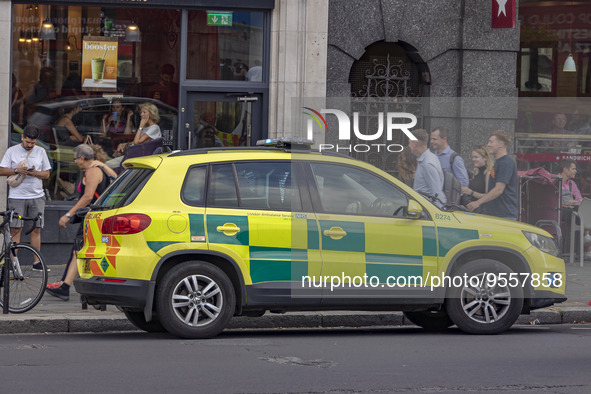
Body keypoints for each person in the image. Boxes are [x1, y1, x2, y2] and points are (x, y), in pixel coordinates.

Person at [45, 144, 117, 301]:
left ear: (83, 158)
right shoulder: (99, 169)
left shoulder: (92, 171)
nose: (75, 161)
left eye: (75, 158)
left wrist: (68, 215)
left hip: (92, 218)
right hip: (98, 217)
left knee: (81, 251)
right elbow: (116, 179)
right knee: (79, 250)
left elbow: (87, 197)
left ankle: (69, 287)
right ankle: (65, 285)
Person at [0, 125, 51, 270]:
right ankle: (14, 263)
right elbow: (1, 170)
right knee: (16, 228)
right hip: (17, 196)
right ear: (22, 137)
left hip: (36, 195)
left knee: (36, 228)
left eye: (33, 143)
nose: (29, 145)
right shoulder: (12, 151)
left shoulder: (40, 151)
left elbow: (46, 174)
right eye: (27, 142)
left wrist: (35, 173)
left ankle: (36, 262)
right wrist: (16, 170)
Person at [467, 129, 518, 220]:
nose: (488, 144)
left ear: (500, 144)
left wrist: (478, 202)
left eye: (491, 142)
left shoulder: (506, 163)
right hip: (495, 214)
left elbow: (499, 190)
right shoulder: (498, 163)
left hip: (504, 215)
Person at [106, 102, 162, 169]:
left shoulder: (154, 128)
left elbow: (136, 142)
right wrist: (124, 144)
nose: (141, 114)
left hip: (137, 157)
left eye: (144, 112)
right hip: (133, 154)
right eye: (141, 112)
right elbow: (135, 142)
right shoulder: (146, 127)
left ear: (151, 114)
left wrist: (140, 126)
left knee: (107, 165)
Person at [408, 128, 446, 207]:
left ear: (415, 143)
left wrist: (440, 214)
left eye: (409, 143)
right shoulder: (427, 159)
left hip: (427, 212)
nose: (408, 146)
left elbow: (437, 193)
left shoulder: (428, 163)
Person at [461, 145, 494, 212]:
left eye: (476, 157)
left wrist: (471, 192)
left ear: (485, 158)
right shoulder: (475, 172)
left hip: (483, 212)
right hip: (473, 209)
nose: (473, 159)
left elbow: (489, 196)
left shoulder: (489, 173)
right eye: (473, 157)